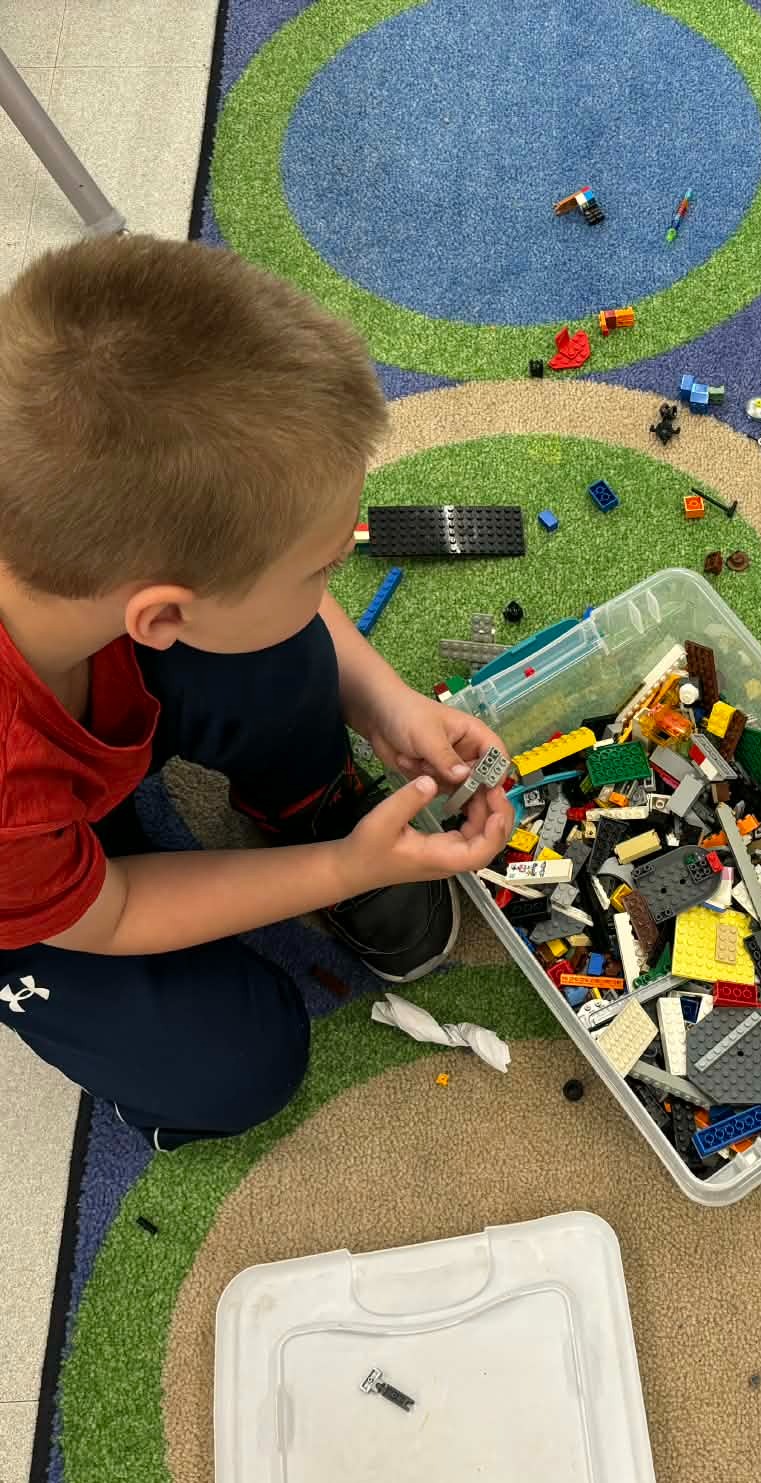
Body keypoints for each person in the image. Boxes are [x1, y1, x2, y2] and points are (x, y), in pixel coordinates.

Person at [0, 234, 510, 1149]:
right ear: (160, 616)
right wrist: (341, 872)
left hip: (58, 750)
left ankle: (305, 802)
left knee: (277, 648)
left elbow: (260, 607)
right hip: (27, 887)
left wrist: (383, 696)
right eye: (322, 566)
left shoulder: (54, 510)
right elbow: (108, 913)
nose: (332, 578)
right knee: (236, 1068)